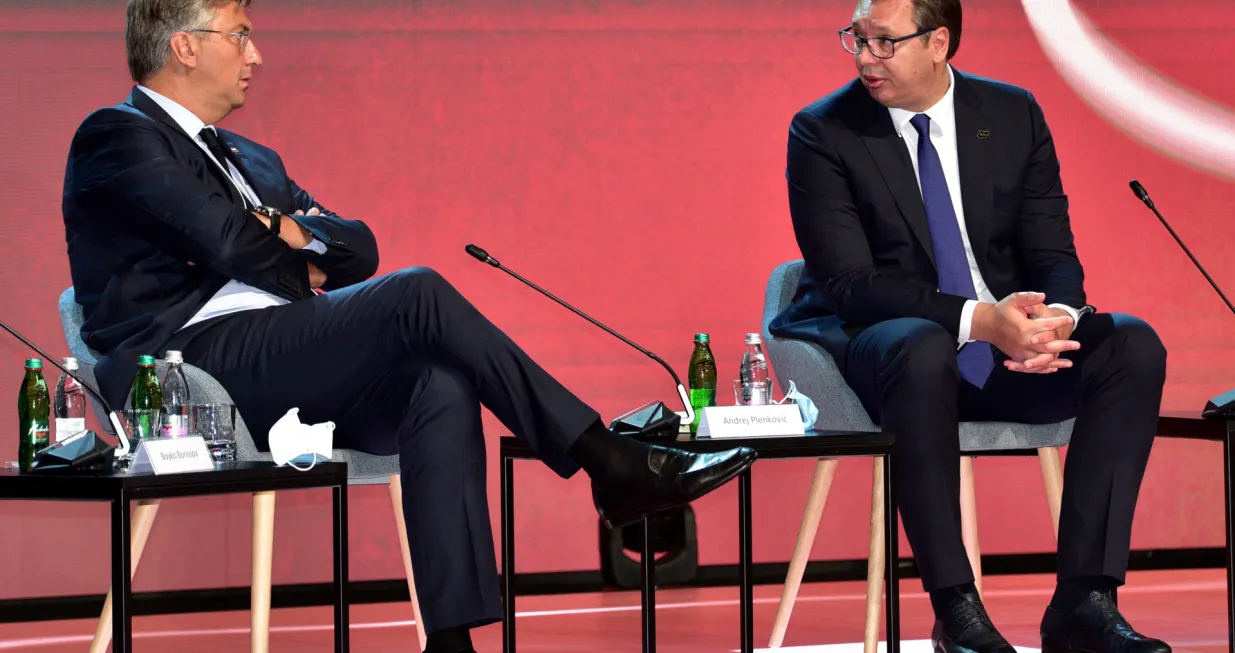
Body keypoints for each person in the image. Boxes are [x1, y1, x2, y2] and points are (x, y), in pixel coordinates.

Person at [61, 1, 757, 651]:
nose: (257, 54)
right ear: (184, 45)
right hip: (192, 372)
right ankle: (604, 458)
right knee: (415, 294)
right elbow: (227, 244)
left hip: (290, 356)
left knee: (438, 382)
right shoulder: (118, 135)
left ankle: (452, 639)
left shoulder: (252, 159)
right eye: (239, 33)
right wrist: (294, 248)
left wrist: (280, 231)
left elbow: (359, 248)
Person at [768, 0, 1171, 651]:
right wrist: (980, 320)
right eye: (856, 39)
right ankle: (954, 606)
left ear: (938, 42)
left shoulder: (1010, 115)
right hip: (888, 350)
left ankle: (1083, 601)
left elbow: (1053, 252)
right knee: (922, 345)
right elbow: (849, 285)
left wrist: (1054, 322)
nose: (863, 57)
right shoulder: (823, 130)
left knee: (1128, 343)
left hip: (1005, 357)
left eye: (883, 42)